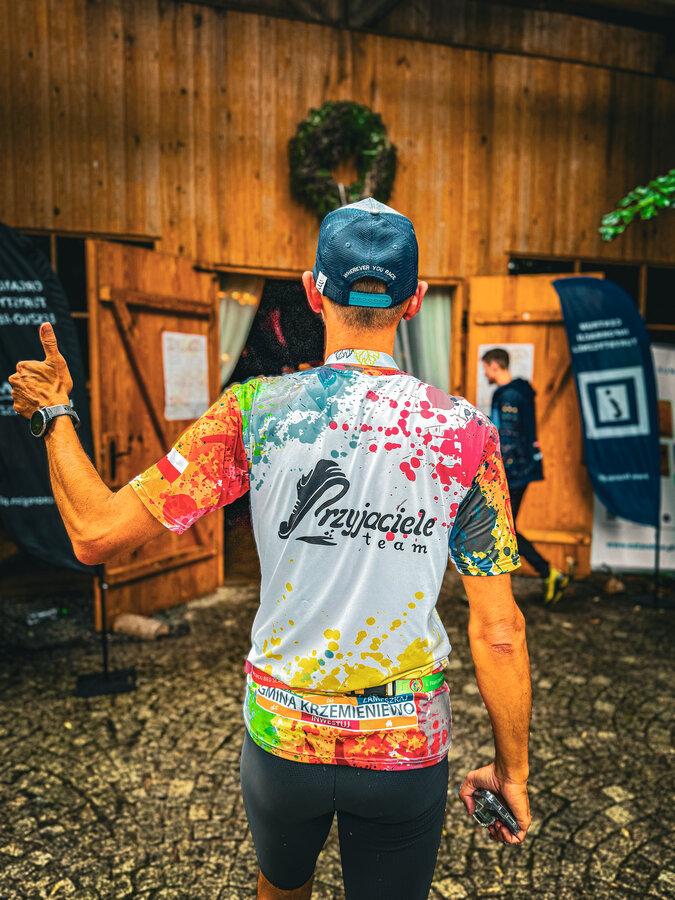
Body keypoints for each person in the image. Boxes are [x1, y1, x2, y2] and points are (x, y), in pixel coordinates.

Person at [11, 199, 532, 900]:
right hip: (404, 741)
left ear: (313, 291)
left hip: (285, 737)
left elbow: (95, 533)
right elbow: (498, 631)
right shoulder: (466, 433)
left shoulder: (255, 411)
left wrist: (53, 414)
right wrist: (512, 771)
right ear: (414, 302)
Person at [482, 347, 569, 604]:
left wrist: (495, 473)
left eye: (485, 368)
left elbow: (506, 438)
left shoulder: (508, 395)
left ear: (494, 366)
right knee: (502, 530)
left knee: (501, 529)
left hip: (512, 473)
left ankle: (546, 572)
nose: (485, 373)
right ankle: (545, 573)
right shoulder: (520, 392)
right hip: (522, 470)